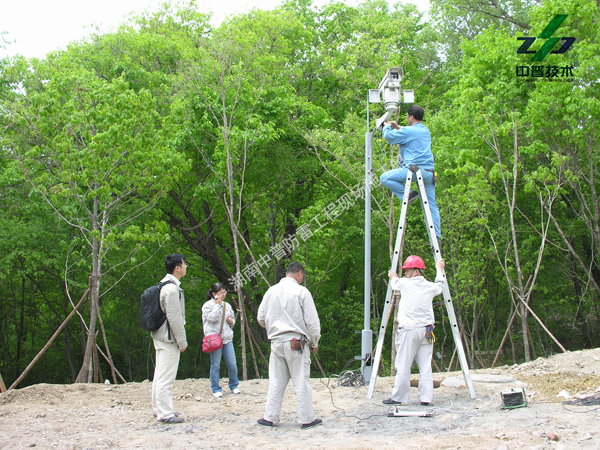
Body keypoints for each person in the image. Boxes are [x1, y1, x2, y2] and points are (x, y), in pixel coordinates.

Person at [256, 262, 322, 429]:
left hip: (276, 342)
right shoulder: (302, 292)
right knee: (300, 380)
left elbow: (260, 318)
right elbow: (312, 322)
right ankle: (306, 419)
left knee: (276, 381)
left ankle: (269, 417)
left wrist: (274, 327)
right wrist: (314, 341)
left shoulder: (271, 291)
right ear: (299, 274)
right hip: (296, 343)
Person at [383, 255, 446, 406]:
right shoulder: (429, 286)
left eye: (407, 270)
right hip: (426, 331)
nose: (405, 273)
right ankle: (426, 398)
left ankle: (399, 397)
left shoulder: (405, 284)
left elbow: (395, 284)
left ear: (416, 271)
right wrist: (439, 269)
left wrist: (392, 276)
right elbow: (440, 285)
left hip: (409, 330)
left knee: (403, 365)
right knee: (425, 366)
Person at [380, 104, 442, 242]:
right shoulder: (425, 131)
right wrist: (397, 126)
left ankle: (408, 194)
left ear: (411, 116)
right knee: (431, 205)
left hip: (414, 171)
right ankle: (437, 237)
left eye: (407, 116)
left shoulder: (408, 131)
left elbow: (389, 137)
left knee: (384, 178)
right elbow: (410, 132)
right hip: (429, 173)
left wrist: (386, 126)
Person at [151, 253, 188, 424]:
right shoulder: (172, 289)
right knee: (166, 377)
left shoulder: (162, 284)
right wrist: (182, 341)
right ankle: (165, 413)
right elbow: (175, 318)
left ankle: (158, 408)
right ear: (177, 268)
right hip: (168, 338)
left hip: (159, 336)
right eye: (184, 264)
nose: (186, 266)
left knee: (160, 374)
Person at [202, 282, 240, 398]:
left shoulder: (227, 306)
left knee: (232, 364)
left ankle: (234, 385)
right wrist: (217, 305)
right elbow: (211, 319)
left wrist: (230, 321)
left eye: (224, 292)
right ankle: (216, 388)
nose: (223, 295)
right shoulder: (207, 306)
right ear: (214, 294)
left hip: (227, 339)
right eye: (220, 293)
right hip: (214, 340)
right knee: (216, 364)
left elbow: (232, 321)